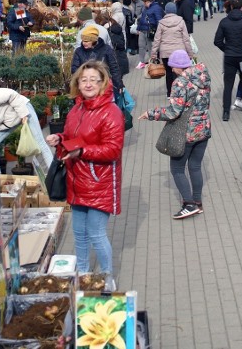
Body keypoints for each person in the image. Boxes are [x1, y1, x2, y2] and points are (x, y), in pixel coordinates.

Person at [45, 61, 124, 286]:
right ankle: (83, 274)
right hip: (76, 178)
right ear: (77, 83)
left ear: (102, 84)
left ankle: (107, 278)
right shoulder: (77, 108)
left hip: (99, 181)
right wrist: (60, 139)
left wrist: (82, 151)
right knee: (79, 233)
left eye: (93, 80)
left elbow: (113, 150)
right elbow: (72, 136)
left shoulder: (111, 112)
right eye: (84, 79)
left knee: (96, 234)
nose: (88, 84)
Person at [139, 50, 211, 219]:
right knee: (195, 166)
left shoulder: (180, 83)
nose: (171, 70)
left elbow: (173, 112)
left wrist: (151, 114)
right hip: (203, 129)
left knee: (177, 168)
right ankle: (198, 202)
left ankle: (189, 204)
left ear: (178, 67)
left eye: (172, 67)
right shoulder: (203, 76)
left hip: (186, 131)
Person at [213, 0, 242, 121]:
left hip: (229, 57)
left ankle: (226, 113)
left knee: (228, 85)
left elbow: (217, 41)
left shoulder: (224, 21)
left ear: (231, 7)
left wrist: (227, 49)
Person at [151, 2, 193, 97]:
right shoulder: (181, 21)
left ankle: (169, 94)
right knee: (179, 73)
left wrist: (153, 53)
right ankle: (178, 93)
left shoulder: (161, 23)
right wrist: (190, 53)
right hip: (179, 53)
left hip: (166, 53)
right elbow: (186, 38)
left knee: (169, 74)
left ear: (165, 11)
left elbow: (157, 39)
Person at [72, 26, 124, 93]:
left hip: (104, 86)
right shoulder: (79, 52)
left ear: (94, 40)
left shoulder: (106, 49)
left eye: (87, 41)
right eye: (83, 41)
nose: (84, 43)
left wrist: (119, 84)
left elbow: (114, 68)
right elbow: (74, 69)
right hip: (87, 87)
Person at [137, 0, 163, 68]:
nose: (144, 4)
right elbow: (142, 18)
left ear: (148, 1)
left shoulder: (156, 8)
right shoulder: (146, 8)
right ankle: (141, 61)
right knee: (141, 46)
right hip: (142, 30)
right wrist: (138, 28)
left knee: (150, 47)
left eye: (145, 2)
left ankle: (152, 62)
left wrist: (159, 32)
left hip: (150, 31)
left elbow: (159, 20)